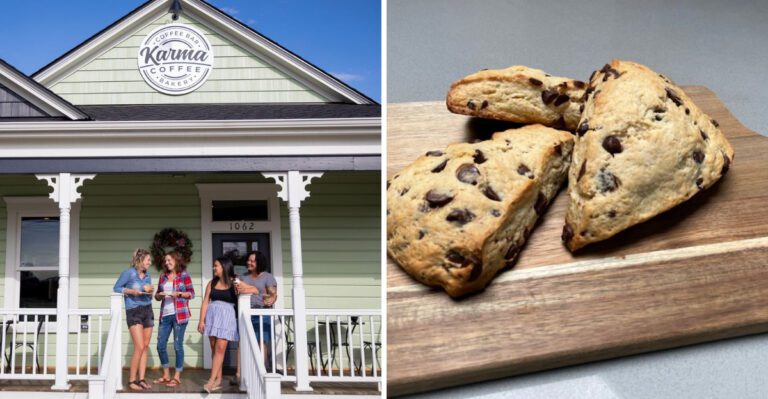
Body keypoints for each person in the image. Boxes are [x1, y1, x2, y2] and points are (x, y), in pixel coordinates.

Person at [113, 249, 154, 391]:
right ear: (140, 260)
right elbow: (117, 287)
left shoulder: (148, 276)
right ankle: (131, 381)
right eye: (148, 260)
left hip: (148, 310)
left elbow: (149, 297)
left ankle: (141, 379)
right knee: (139, 346)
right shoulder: (129, 273)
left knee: (146, 345)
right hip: (133, 311)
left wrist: (150, 291)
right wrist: (131, 291)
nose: (150, 262)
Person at [153, 251, 195, 388]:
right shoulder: (163, 276)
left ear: (176, 260)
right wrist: (159, 295)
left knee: (177, 345)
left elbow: (192, 293)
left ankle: (176, 377)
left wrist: (180, 294)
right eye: (165, 261)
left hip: (180, 315)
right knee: (160, 345)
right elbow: (157, 296)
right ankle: (166, 375)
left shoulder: (184, 275)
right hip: (165, 315)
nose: (167, 263)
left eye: (169, 260)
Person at [198, 257, 239, 393]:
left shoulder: (234, 284)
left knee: (220, 348)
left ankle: (211, 381)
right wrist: (201, 320)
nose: (214, 268)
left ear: (224, 267)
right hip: (212, 317)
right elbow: (205, 302)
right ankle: (218, 378)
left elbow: (249, 290)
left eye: (216, 266)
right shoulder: (211, 283)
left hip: (227, 318)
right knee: (214, 349)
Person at [235, 251, 277, 376]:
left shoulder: (267, 277)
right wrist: (255, 290)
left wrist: (270, 299)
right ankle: (239, 374)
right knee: (241, 343)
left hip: (262, 313)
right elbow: (238, 291)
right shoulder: (242, 277)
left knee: (261, 342)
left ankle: (260, 373)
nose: (249, 262)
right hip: (245, 313)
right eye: (248, 260)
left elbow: (273, 294)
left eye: (252, 261)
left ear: (259, 262)